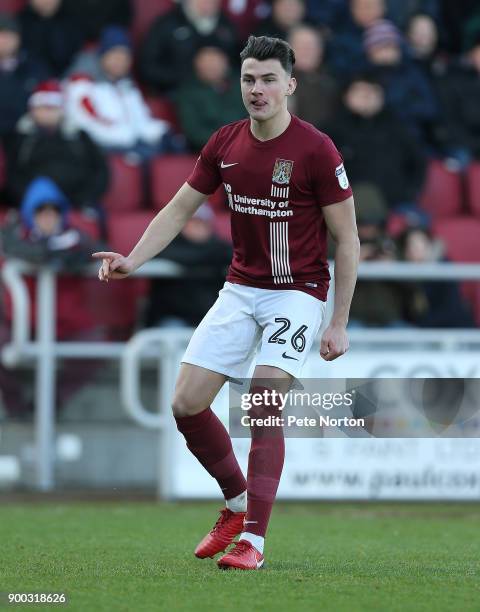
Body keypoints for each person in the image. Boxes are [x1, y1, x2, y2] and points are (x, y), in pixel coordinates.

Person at [93, 36, 359, 570]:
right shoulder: (225, 143)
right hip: (241, 288)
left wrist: (339, 321)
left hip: (299, 291)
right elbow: (178, 209)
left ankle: (254, 542)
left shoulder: (316, 150)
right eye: (247, 80)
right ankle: (237, 503)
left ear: (290, 85)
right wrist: (133, 259)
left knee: (263, 398)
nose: (256, 90)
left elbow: (347, 239)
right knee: (185, 403)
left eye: (266, 80)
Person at [7, 79, 109, 218]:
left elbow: (100, 171)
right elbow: (12, 175)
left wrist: (83, 198)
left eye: (52, 108)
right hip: (35, 206)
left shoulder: (79, 136)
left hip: (78, 202)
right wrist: (36, 200)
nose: (48, 113)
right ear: (33, 109)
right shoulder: (21, 138)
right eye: (43, 107)